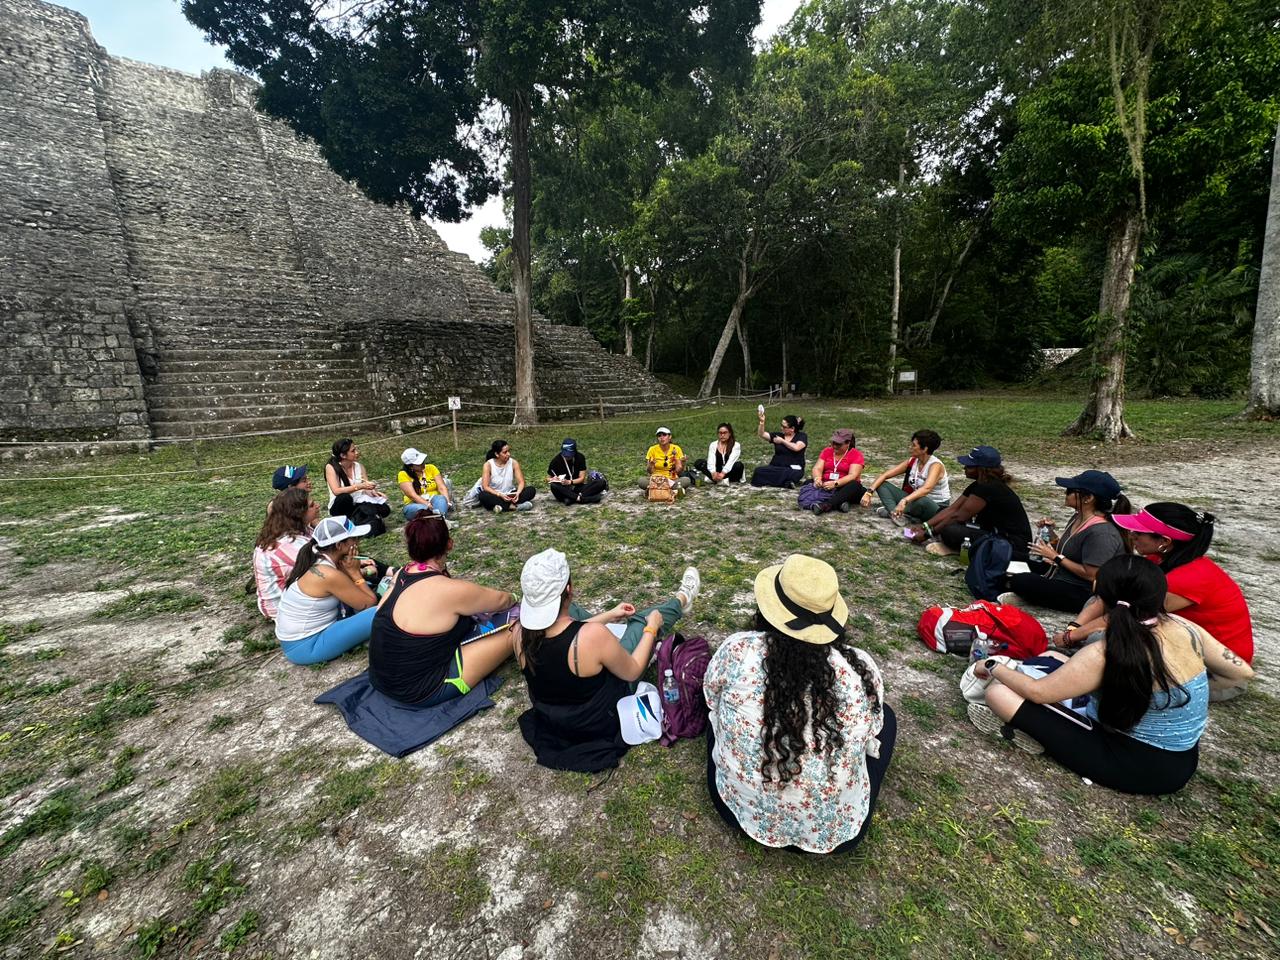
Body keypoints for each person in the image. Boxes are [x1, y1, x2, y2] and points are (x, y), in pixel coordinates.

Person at [968, 556, 1253, 795]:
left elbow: (1037, 692)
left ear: (1101, 597)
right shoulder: (1183, 626)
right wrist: (1179, 694)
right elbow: (1240, 673)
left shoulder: (1104, 652)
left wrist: (992, 666)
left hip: (1135, 765)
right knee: (1053, 658)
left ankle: (1037, 736)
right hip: (1183, 757)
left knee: (998, 693)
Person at [704, 555, 894, 854]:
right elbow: (872, 726)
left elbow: (711, 698)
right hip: (833, 834)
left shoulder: (738, 650)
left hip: (738, 811)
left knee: (716, 715)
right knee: (887, 719)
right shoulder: (860, 671)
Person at [513, 549, 700, 771]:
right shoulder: (592, 636)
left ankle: (657, 617)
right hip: (598, 720)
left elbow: (561, 633)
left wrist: (610, 615)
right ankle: (682, 600)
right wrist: (652, 627)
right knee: (641, 623)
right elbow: (633, 670)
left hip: (555, 720)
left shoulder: (518, 633)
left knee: (575, 613)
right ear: (569, 589)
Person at [1061, 504, 1254, 700]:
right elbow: (1111, 595)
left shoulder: (1186, 579)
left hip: (1215, 672)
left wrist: (1072, 636)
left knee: (1105, 640)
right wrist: (1074, 627)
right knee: (1106, 601)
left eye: (1139, 532)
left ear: (1165, 541)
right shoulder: (1160, 559)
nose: (1132, 535)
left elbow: (1130, 616)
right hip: (1181, 642)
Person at [368, 513, 517, 706]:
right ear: (449, 544)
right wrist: (515, 598)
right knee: (518, 624)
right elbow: (502, 600)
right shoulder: (450, 590)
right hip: (422, 691)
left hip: (381, 679)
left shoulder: (402, 574)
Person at [1000, 470, 1130, 613]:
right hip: (1063, 574)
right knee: (1014, 557)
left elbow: (1091, 574)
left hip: (1082, 591)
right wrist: (1049, 533)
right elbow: (1068, 550)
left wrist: (1055, 557)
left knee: (1021, 580)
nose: (1065, 493)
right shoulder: (1078, 517)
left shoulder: (1102, 533)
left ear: (1088, 498)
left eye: (1070, 491)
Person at [274, 516, 383, 665]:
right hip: (307, 645)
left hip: (299, 640)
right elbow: (368, 603)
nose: (357, 543)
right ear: (339, 545)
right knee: (380, 613)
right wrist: (355, 573)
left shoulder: (317, 559)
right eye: (354, 539)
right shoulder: (328, 574)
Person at [905, 445, 1031, 559]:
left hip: (1012, 544)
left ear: (981, 469)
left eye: (970, 466)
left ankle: (963, 549)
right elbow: (953, 509)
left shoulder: (988, 487)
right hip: (991, 531)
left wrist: (928, 534)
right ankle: (959, 545)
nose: (964, 467)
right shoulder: (979, 484)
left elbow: (958, 516)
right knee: (942, 512)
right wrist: (924, 526)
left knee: (950, 530)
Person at [253, 488, 321, 619]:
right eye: (312, 505)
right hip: (281, 608)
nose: (317, 506)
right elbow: (324, 569)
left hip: (293, 593)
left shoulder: (294, 529)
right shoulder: (288, 544)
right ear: (299, 513)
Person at [860, 430, 951, 524]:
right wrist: (869, 492)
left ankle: (899, 513)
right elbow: (885, 475)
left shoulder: (935, 465)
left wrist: (904, 500)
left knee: (922, 500)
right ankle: (896, 514)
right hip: (914, 500)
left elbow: (926, 489)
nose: (910, 447)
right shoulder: (913, 461)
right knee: (882, 484)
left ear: (924, 449)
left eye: (914, 445)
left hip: (935, 506)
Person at [324, 438, 391, 534]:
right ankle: (356, 519)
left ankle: (358, 519)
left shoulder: (359, 466)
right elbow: (336, 491)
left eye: (356, 449)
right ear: (343, 455)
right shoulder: (331, 467)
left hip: (358, 501)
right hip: (341, 504)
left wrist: (374, 492)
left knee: (385, 509)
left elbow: (366, 488)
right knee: (344, 497)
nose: (357, 452)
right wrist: (359, 486)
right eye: (353, 451)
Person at [804, 428, 866, 514]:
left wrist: (835, 483)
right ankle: (840, 503)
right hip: (826, 484)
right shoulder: (827, 451)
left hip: (844, 486)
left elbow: (852, 475)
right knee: (808, 482)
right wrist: (817, 479)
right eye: (833, 443)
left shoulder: (856, 454)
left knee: (855, 485)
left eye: (838, 444)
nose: (835, 446)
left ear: (848, 443)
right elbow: (817, 468)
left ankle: (826, 505)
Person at [476, 439, 537, 512]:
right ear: (497, 454)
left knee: (531, 490)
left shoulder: (513, 462)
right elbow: (485, 486)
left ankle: (500, 507)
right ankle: (514, 507)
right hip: (496, 495)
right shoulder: (488, 465)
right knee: (483, 495)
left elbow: (521, 482)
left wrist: (518, 493)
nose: (508, 454)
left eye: (508, 451)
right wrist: (499, 495)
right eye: (505, 452)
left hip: (510, 493)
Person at [750, 413, 808, 488]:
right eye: (781, 425)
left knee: (794, 473)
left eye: (784, 427)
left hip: (792, 468)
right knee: (759, 471)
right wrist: (762, 422)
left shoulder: (801, 436)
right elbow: (762, 434)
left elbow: (796, 447)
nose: (781, 428)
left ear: (792, 428)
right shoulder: (778, 435)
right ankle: (785, 483)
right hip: (776, 466)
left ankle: (780, 481)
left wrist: (782, 441)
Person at [397, 447, 454, 520]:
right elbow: (412, 495)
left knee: (441, 499)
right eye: (419, 464)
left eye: (422, 461)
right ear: (410, 466)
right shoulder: (403, 474)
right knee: (422, 509)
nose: (422, 464)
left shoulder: (431, 468)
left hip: (434, 498)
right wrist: (427, 505)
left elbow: (442, 487)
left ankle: (438, 518)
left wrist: (447, 502)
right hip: (414, 503)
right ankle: (437, 518)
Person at [547, 438, 607, 505]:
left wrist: (569, 482)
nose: (567, 457)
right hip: (564, 489)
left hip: (577, 487)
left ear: (574, 452)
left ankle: (571, 499)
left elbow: (582, 478)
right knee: (553, 485)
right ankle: (582, 499)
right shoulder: (555, 461)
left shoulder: (580, 457)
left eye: (569, 455)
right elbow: (548, 478)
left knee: (601, 482)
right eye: (565, 455)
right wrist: (553, 479)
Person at [637, 427, 692, 491]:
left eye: (664, 435)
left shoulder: (676, 448)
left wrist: (683, 463)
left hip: (671, 480)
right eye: (659, 436)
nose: (661, 437)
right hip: (656, 479)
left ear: (670, 437)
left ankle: (658, 489)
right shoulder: (652, 449)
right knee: (641, 481)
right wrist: (651, 465)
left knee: (686, 480)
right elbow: (649, 471)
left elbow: (678, 472)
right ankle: (666, 489)